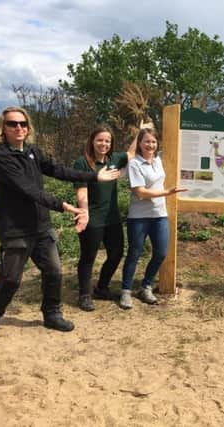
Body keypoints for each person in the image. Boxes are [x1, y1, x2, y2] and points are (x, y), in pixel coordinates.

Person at [0, 106, 120, 339]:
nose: (19, 128)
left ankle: (52, 314)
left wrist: (94, 176)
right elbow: (28, 190)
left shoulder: (32, 151)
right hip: (15, 228)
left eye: (23, 124)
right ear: (3, 128)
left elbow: (58, 170)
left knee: (54, 272)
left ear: (28, 127)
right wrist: (63, 206)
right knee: (10, 278)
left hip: (41, 226)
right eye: (13, 124)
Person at [119, 127, 187, 309]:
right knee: (134, 253)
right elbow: (140, 192)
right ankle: (125, 291)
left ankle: (145, 286)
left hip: (159, 215)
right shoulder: (134, 164)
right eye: (146, 141)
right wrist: (167, 192)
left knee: (161, 253)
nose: (150, 145)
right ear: (140, 144)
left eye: (153, 142)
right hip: (139, 217)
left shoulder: (158, 161)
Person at [72, 126, 137, 311]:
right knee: (88, 257)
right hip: (92, 218)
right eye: (100, 140)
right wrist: (84, 214)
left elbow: (131, 153)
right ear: (92, 141)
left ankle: (101, 287)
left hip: (112, 217)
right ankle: (84, 295)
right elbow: (81, 191)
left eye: (107, 141)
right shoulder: (82, 163)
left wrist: (141, 131)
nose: (103, 144)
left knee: (116, 253)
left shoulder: (114, 159)